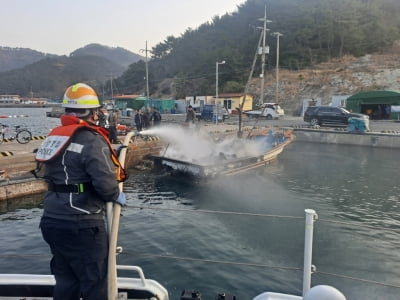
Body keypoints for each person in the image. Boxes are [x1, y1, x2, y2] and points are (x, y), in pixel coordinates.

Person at [36, 83, 127, 300]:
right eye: (97, 110)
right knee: (94, 283)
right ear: (92, 112)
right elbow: (106, 186)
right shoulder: (92, 139)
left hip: (51, 220)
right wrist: (115, 195)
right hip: (82, 224)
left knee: (66, 281)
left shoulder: (55, 136)